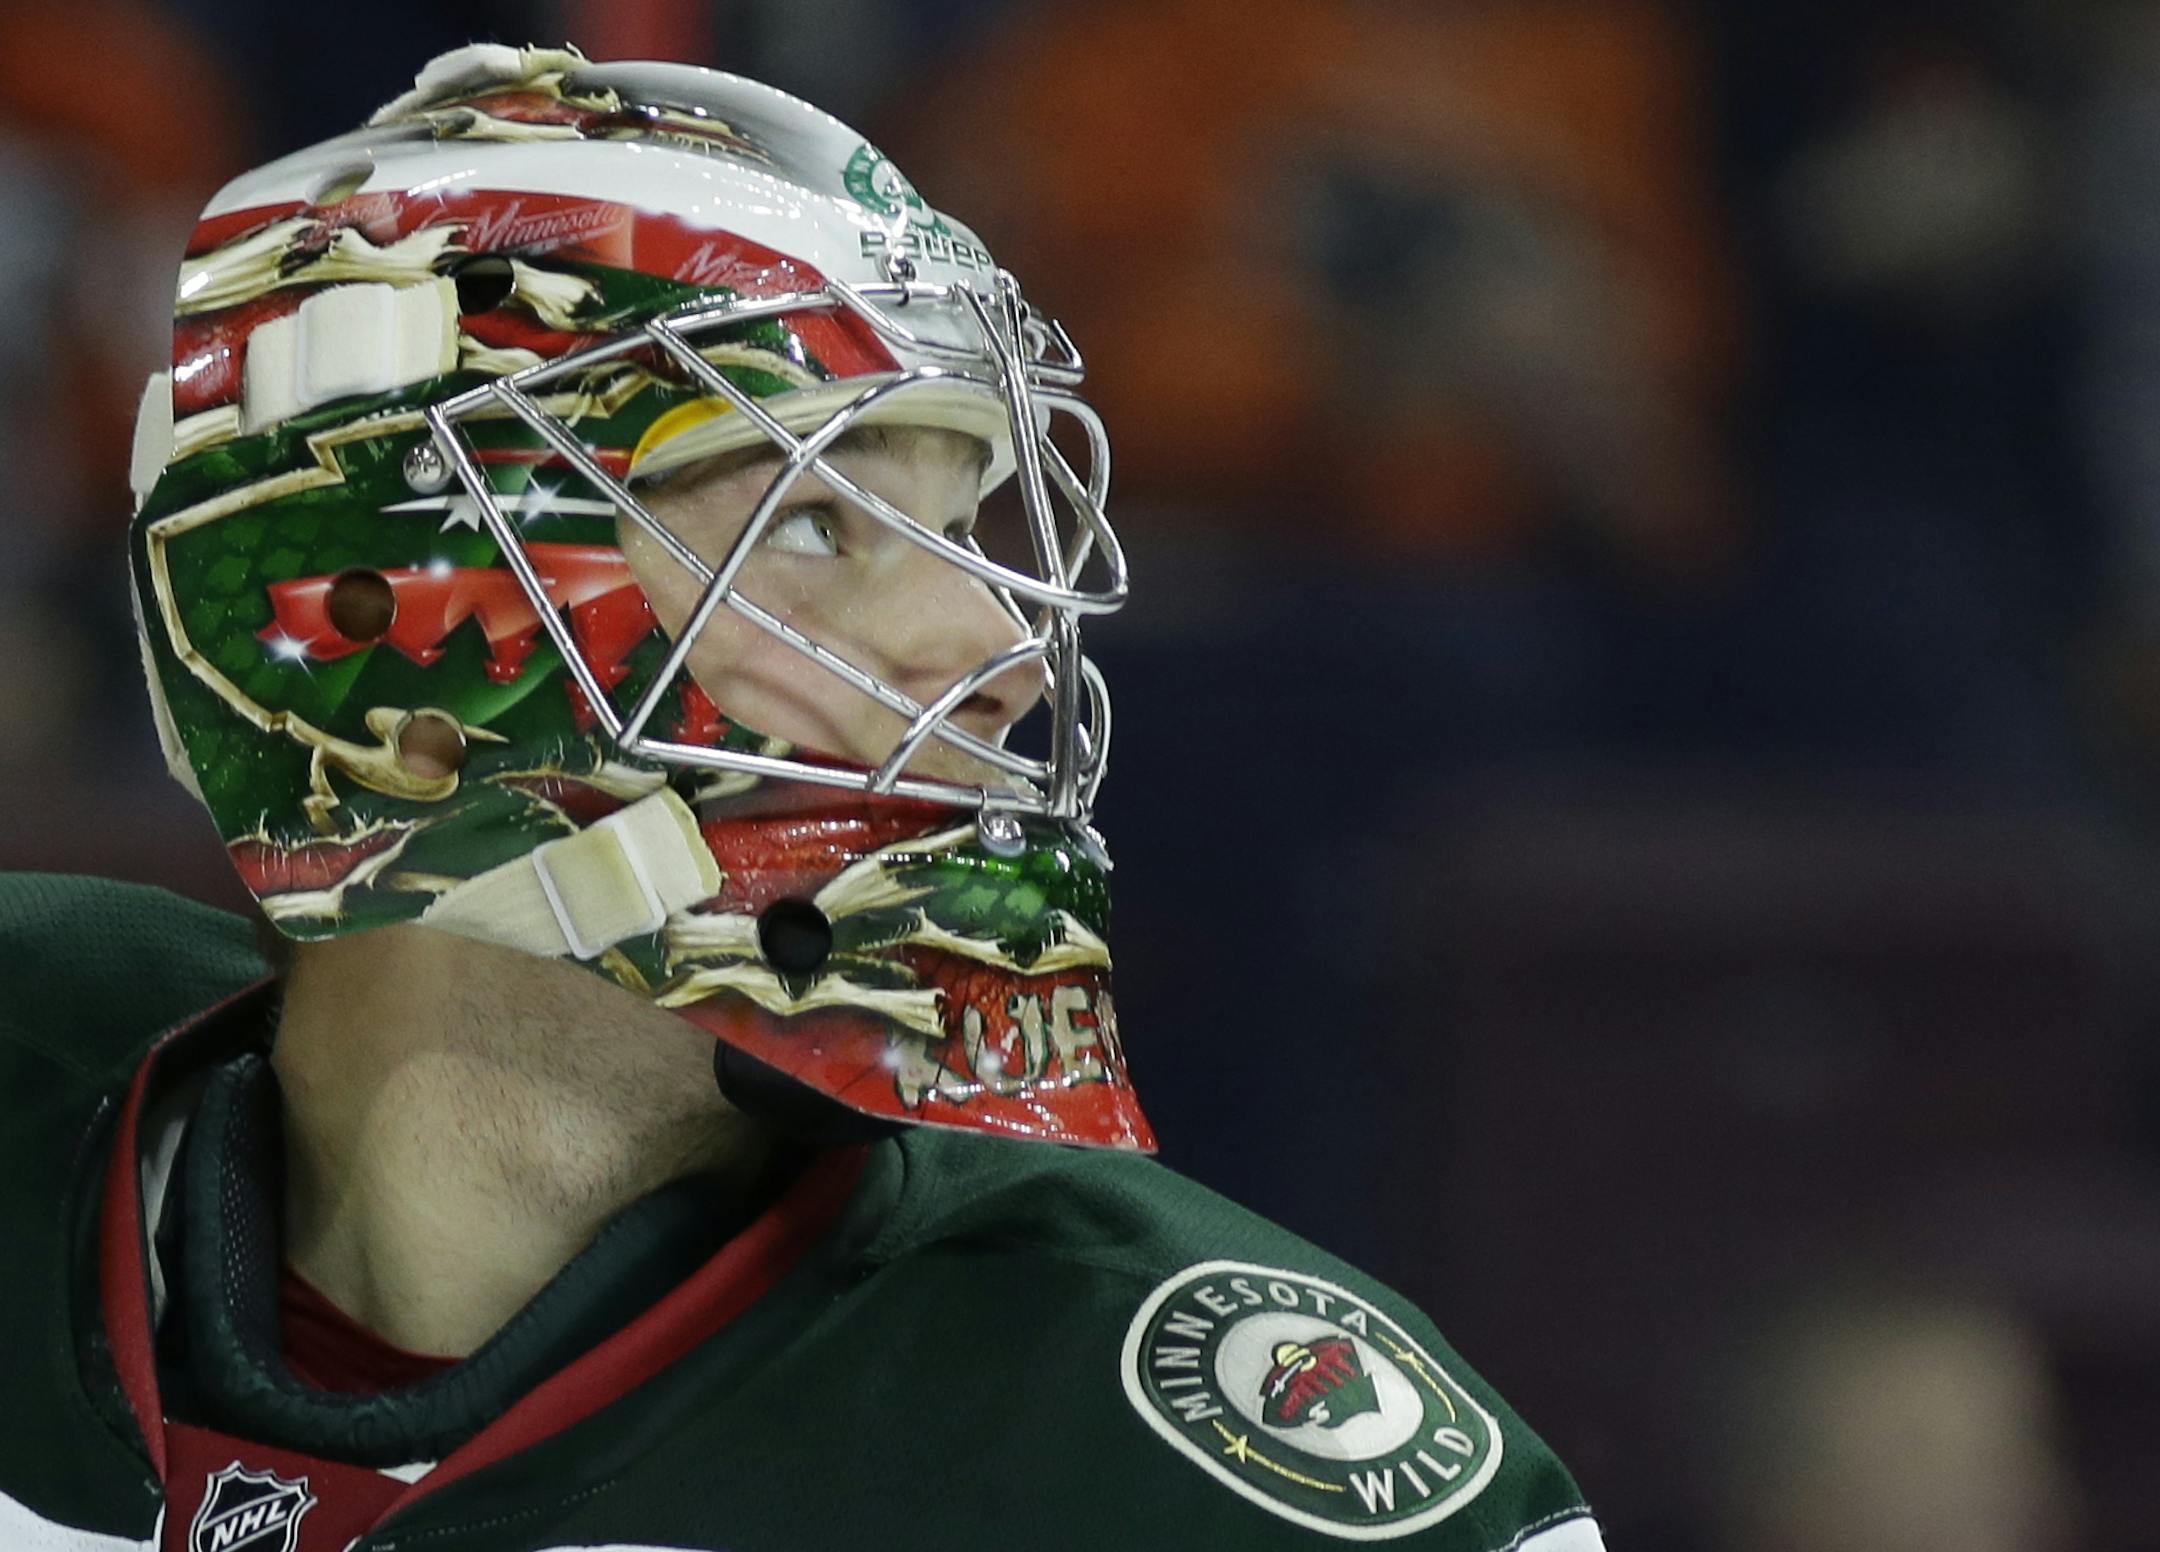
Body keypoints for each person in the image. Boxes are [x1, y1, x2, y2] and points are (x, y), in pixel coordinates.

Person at [0, 44, 1606, 1551]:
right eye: (812, 524)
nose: (997, 651)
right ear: (362, 632)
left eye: (970, 521)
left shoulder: (1198, 1456)